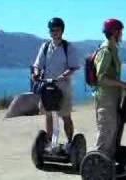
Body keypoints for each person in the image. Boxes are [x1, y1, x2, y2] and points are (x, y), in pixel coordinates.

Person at [32, 17, 79, 151]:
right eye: (52, 30)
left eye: (57, 30)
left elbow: (73, 67)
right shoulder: (45, 46)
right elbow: (38, 65)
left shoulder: (67, 47)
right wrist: (36, 73)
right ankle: (50, 143)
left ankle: (70, 143)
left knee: (65, 115)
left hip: (63, 87)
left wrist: (63, 76)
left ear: (62, 31)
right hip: (47, 86)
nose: (54, 32)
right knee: (48, 116)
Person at [94, 18, 126, 159]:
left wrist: (123, 85)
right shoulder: (106, 51)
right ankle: (97, 166)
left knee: (113, 132)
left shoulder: (113, 49)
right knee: (105, 133)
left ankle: (107, 167)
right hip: (105, 100)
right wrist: (122, 85)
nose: (122, 34)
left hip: (113, 98)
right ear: (114, 32)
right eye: (120, 31)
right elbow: (101, 78)